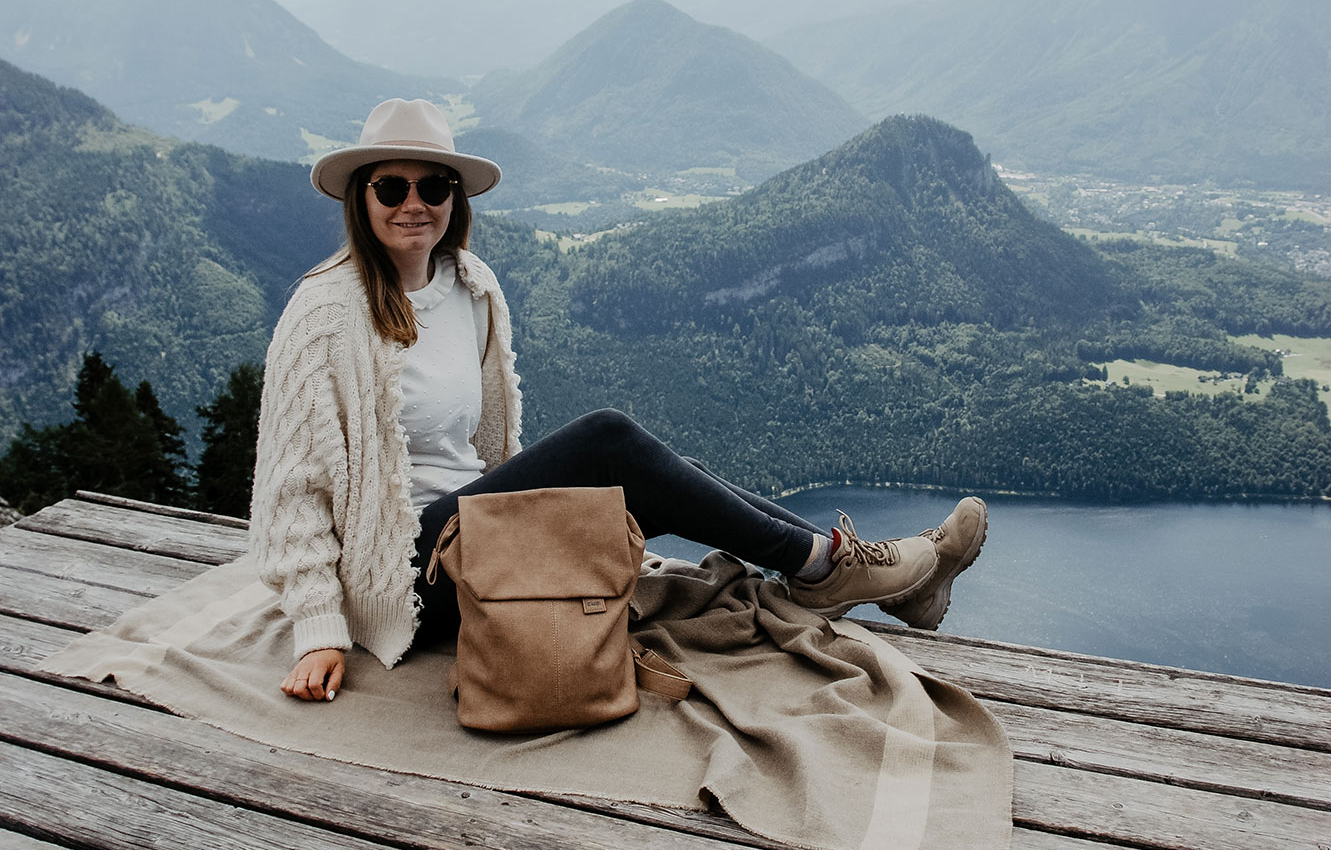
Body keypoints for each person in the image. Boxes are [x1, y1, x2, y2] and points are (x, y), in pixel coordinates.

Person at [251, 100, 988, 703]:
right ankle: (829, 568)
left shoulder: (469, 286)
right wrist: (319, 626)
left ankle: (877, 579)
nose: (414, 205)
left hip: (472, 534)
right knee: (607, 437)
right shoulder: (324, 313)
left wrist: (552, 518)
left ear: (454, 199)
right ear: (361, 198)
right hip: (402, 573)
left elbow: (492, 454)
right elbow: (291, 493)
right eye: (391, 188)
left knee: (669, 473)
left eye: (433, 187)